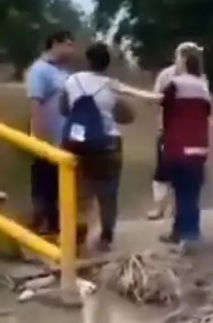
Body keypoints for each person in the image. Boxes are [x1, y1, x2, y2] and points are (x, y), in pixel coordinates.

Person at [61, 41, 134, 251]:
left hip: (76, 143)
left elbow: (64, 109)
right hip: (107, 145)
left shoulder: (72, 81)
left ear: (87, 60)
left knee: (78, 193)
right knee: (108, 194)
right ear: (107, 64)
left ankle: (77, 237)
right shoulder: (112, 85)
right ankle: (106, 238)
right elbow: (127, 116)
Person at [160, 45, 211, 244]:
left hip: (178, 145)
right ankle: (186, 231)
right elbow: (206, 112)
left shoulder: (174, 84)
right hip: (199, 146)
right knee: (192, 192)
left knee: (181, 192)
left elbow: (164, 106)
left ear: (183, 62)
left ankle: (188, 235)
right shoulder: (204, 86)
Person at [147, 42, 204, 220]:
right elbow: (156, 99)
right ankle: (161, 208)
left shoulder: (200, 78)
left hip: (189, 135)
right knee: (163, 172)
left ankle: (178, 213)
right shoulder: (167, 75)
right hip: (168, 130)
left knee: (184, 174)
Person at [26, 30, 75, 236]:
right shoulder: (39, 70)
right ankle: (42, 226)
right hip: (46, 139)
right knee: (44, 186)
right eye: (68, 44)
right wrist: (37, 138)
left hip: (64, 140)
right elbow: (35, 104)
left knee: (59, 187)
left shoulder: (63, 72)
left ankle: (57, 228)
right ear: (55, 44)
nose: (71, 49)